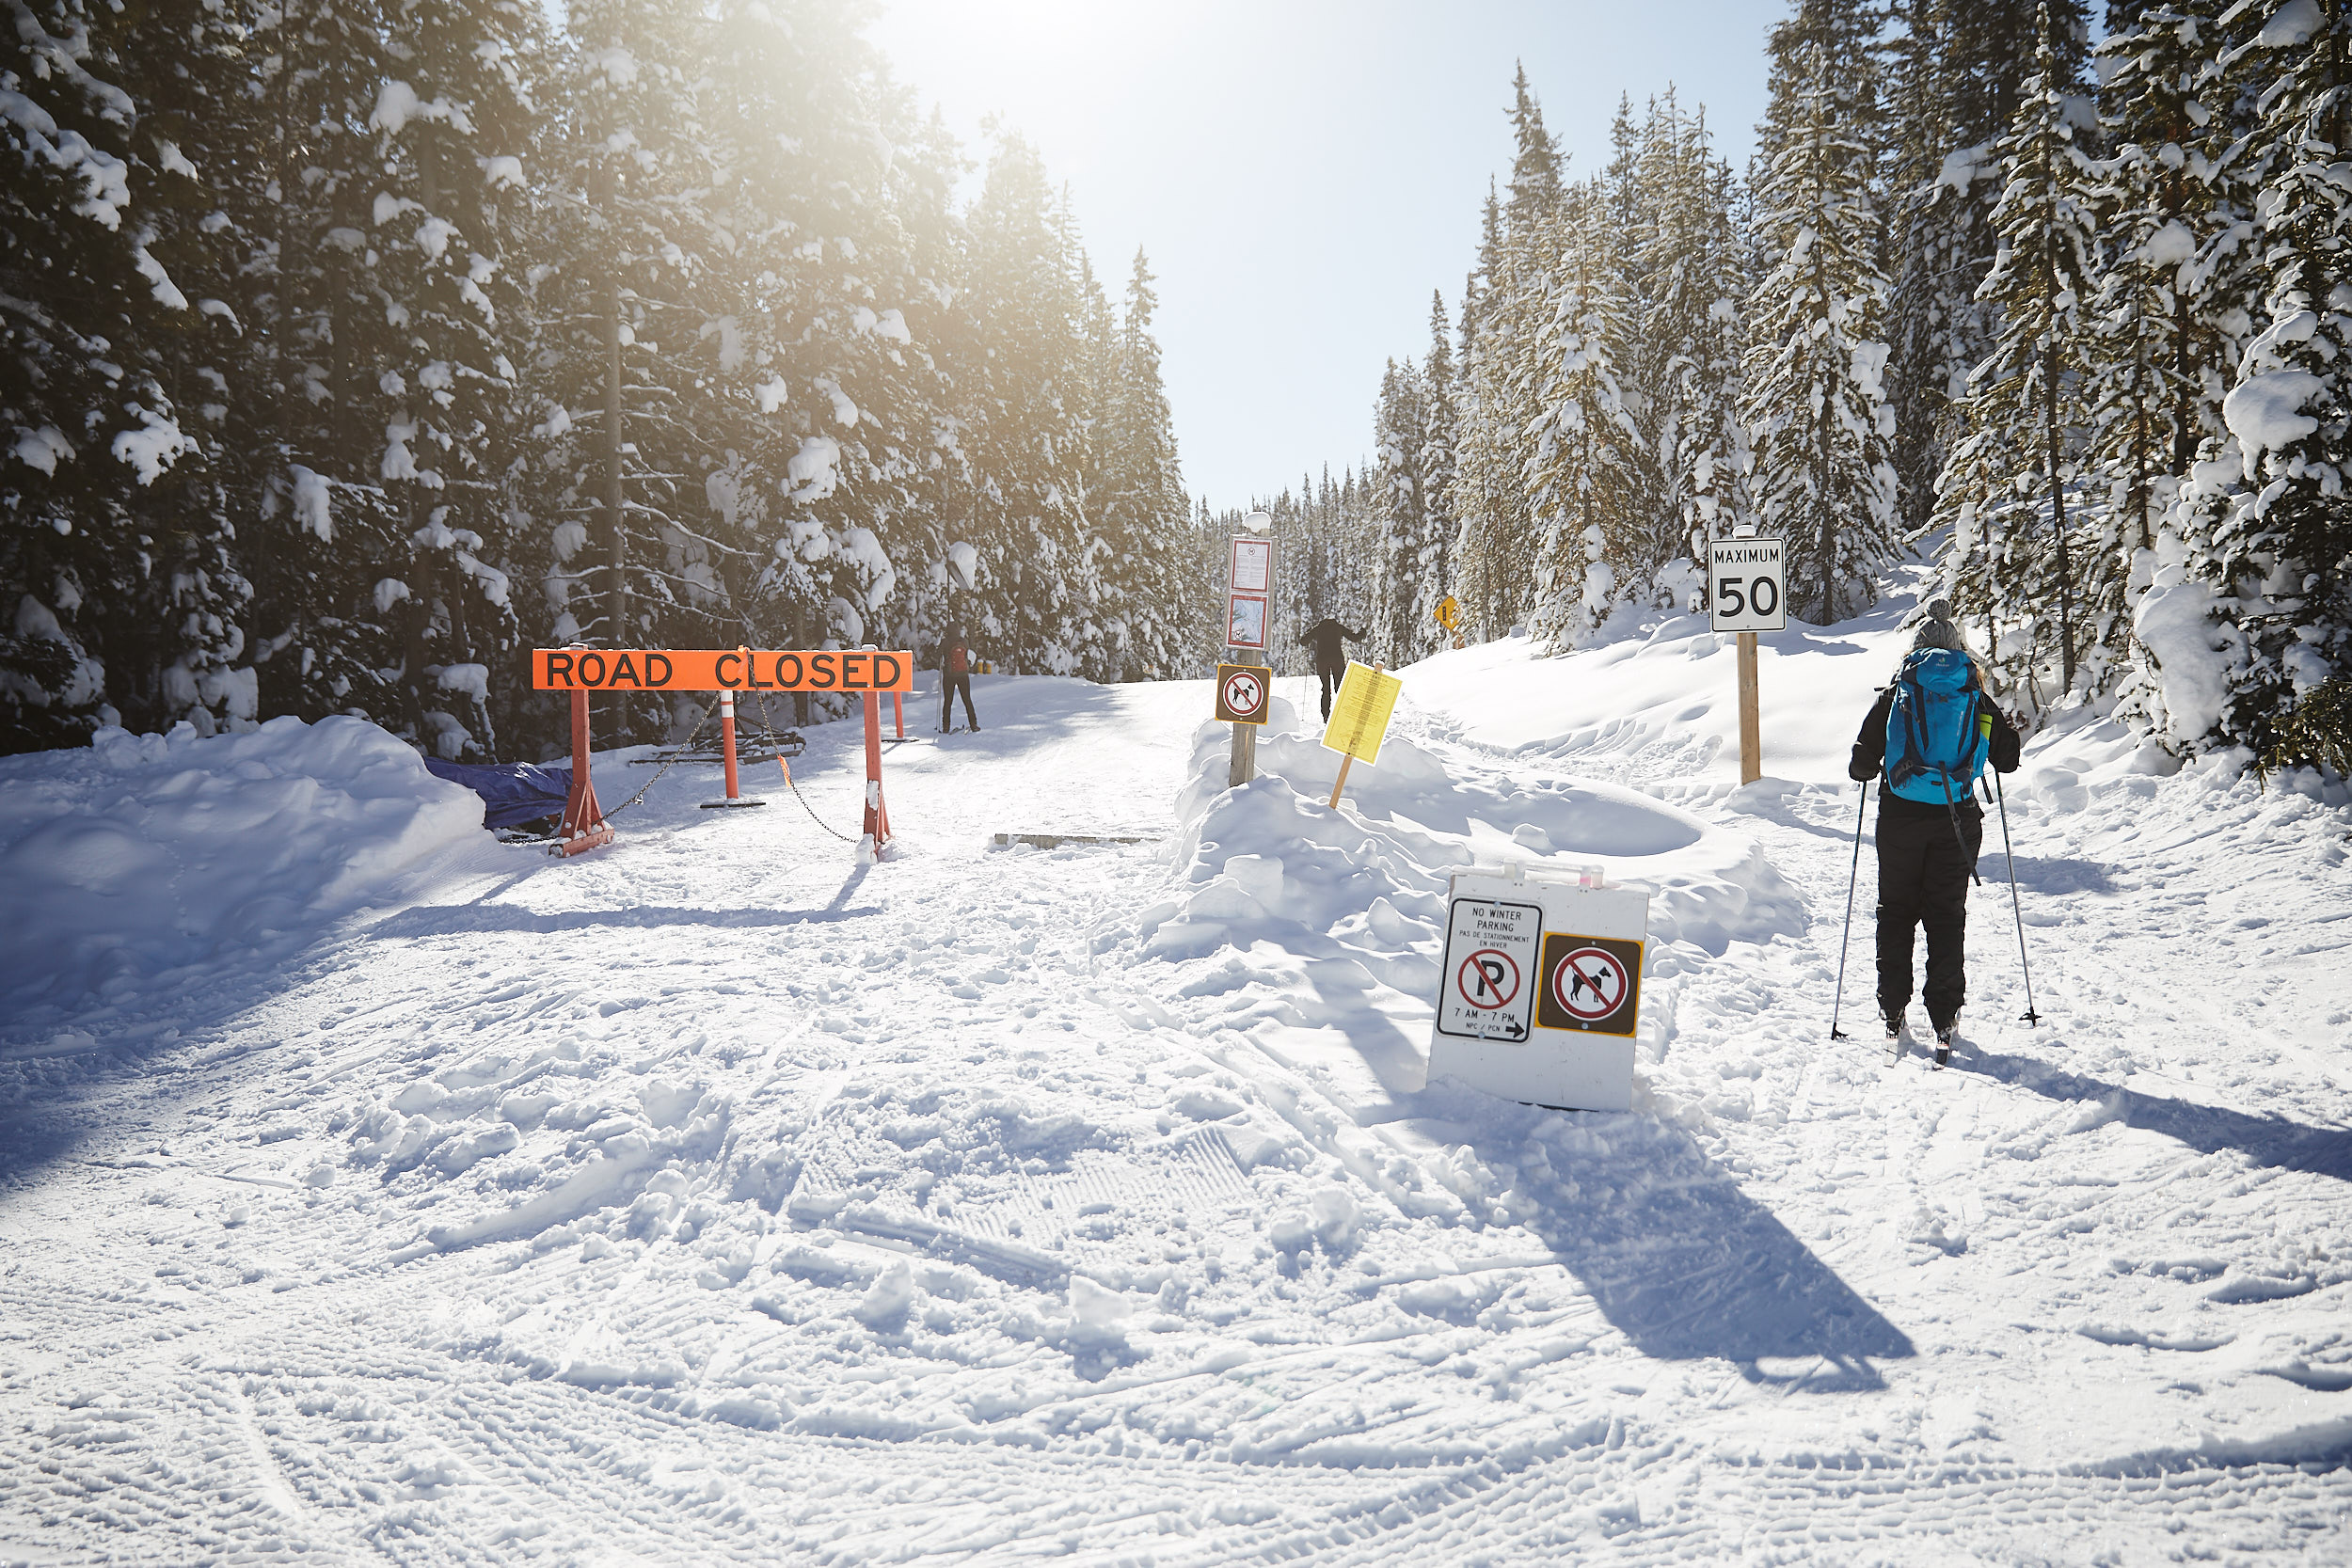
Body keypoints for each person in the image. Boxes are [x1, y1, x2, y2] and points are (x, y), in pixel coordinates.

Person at [1848, 599, 2021, 1061]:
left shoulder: (1896, 694)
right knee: (1946, 915)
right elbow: (2008, 759)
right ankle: (1945, 1015)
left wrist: (1881, 762)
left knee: (1896, 911)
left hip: (1900, 819)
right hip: (1957, 821)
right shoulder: (1974, 695)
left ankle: (1892, 1009)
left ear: (1916, 649)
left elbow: (1860, 766)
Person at [1296, 617, 1367, 721]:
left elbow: (1303, 642)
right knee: (1340, 687)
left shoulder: (1318, 628)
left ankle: (1326, 716)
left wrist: (1309, 631)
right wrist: (1363, 632)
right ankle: (1342, 713)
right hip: (1337, 660)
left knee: (1326, 689)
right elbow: (1354, 638)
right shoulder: (1338, 627)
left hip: (1322, 661)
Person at [939, 627, 979, 734]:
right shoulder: (964, 641)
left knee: (948, 701)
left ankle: (946, 727)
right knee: (967, 700)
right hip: (963, 675)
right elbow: (968, 655)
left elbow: (937, 656)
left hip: (949, 675)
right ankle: (974, 724)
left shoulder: (945, 642)